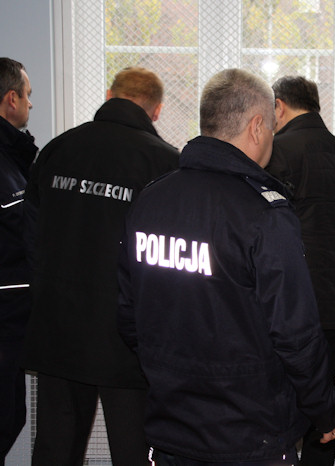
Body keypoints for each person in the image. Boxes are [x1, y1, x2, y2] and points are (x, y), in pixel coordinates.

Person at [116, 68, 335, 465]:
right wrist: (325, 410)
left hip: (171, 426)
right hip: (250, 434)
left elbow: (128, 314)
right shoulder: (264, 214)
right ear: (257, 127)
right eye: (272, 130)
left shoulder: (150, 200)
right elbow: (295, 335)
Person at [22, 66, 179, 465]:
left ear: (109, 96)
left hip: (58, 327)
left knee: (56, 448)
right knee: (134, 450)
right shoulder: (164, 163)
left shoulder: (57, 149)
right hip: (125, 338)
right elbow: (168, 258)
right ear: (156, 110)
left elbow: (31, 236)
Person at [266, 75, 335, 466]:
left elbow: (266, 231)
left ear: (279, 106)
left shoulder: (278, 152)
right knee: (322, 409)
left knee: (272, 408)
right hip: (334, 304)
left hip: (288, 304)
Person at [0, 57, 37, 465]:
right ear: (11, 99)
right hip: (4, 319)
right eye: (27, 95)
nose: (30, 104)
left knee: (12, 417)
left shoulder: (14, 158)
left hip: (13, 323)